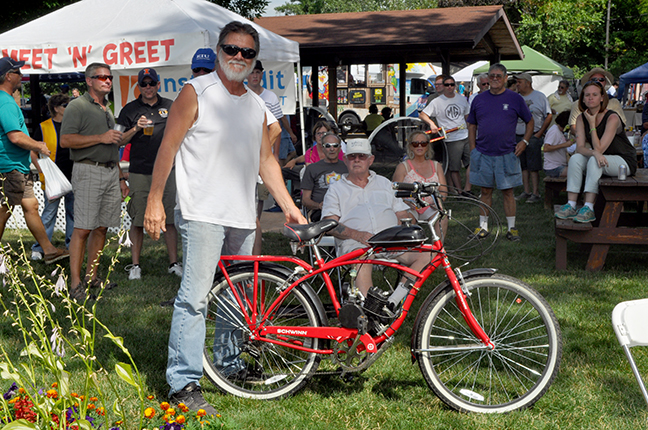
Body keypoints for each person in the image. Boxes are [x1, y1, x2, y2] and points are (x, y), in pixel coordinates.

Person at [142, 21, 305, 415]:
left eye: (247, 53)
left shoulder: (256, 105)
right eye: (232, 49)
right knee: (195, 299)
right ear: (219, 51)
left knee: (239, 297)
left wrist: (290, 207)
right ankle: (183, 383)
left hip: (241, 215)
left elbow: (265, 161)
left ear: (254, 60)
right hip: (200, 212)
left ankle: (229, 366)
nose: (238, 57)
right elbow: (168, 147)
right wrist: (154, 201)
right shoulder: (196, 92)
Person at [322, 138, 430, 303]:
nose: (357, 160)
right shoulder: (336, 189)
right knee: (361, 259)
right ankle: (370, 311)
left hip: (390, 241)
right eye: (352, 157)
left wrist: (406, 223)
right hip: (357, 244)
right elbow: (329, 224)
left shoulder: (384, 183)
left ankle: (394, 302)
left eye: (361, 156)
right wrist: (357, 235)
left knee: (426, 255)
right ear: (345, 160)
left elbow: (402, 213)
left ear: (370, 160)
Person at [60, 62, 129, 299]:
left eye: (109, 77)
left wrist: (120, 176)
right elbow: (65, 140)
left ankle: (92, 277)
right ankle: (75, 284)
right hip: (88, 170)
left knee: (101, 227)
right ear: (89, 81)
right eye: (101, 77)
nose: (107, 81)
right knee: (82, 228)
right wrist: (101, 137)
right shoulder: (77, 106)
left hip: (110, 171)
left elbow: (111, 144)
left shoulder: (105, 108)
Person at [0, 57, 69, 264]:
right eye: (18, 72)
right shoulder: (5, 102)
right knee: (5, 209)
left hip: (16, 165)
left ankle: (48, 250)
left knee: (31, 206)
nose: (22, 76)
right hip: (10, 166)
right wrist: (38, 145)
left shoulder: (7, 101)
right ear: (8, 76)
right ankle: (47, 249)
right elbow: (15, 136)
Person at [117, 68, 180, 280]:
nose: (148, 87)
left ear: (158, 84)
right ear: (138, 87)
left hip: (167, 170)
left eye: (151, 83)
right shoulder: (129, 109)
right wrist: (135, 128)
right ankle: (135, 265)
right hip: (139, 171)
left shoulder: (171, 106)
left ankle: (173, 263)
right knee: (137, 218)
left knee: (169, 218)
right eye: (143, 84)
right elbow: (119, 140)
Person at [466, 63, 533, 242]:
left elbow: (530, 121)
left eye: (498, 76)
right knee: (485, 191)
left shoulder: (515, 99)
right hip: (483, 153)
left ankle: (512, 229)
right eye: (491, 75)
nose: (494, 78)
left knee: (508, 192)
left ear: (505, 78)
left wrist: (524, 142)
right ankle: (483, 227)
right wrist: (473, 148)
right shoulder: (479, 99)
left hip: (507, 153)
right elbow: (472, 124)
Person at [555, 81, 637, 223]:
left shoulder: (612, 117)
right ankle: (571, 204)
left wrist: (592, 124)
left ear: (601, 98)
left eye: (594, 94)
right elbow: (580, 147)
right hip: (600, 159)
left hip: (623, 162)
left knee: (594, 160)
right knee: (576, 158)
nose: (590, 98)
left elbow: (600, 149)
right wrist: (594, 153)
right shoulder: (581, 118)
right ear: (582, 99)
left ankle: (589, 207)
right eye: (587, 95)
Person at [30, 94, 75, 261]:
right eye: (65, 105)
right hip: (53, 179)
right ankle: (39, 247)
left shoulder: (73, 126)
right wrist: (43, 170)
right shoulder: (43, 127)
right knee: (49, 214)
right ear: (56, 108)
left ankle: (72, 246)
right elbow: (32, 151)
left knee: (73, 213)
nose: (68, 107)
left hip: (73, 176)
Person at [419, 75, 472, 196]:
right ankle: (459, 192)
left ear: (455, 86)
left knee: (472, 163)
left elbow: (467, 117)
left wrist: (471, 131)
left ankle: (467, 190)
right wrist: (432, 124)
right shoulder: (437, 101)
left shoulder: (462, 99)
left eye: (452, 84)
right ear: (443, 86)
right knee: (454, 168)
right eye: (446, 85)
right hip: (450, 139)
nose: (449, 87)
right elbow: (422, 115)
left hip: (465, 135)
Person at [392, 131, 448, 236]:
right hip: (410, 206)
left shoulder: (436, 166)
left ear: (428, 146)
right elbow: (394, 191)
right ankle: (410, 249)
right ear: (410, 147)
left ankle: (438, 249)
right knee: (407, 220)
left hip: (431, 206)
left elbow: (443, 190)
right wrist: (406, 202)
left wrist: (438, 201)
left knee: (442, 217)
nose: (419, 146)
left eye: (423, 143)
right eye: (415, 143)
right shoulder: (403, 167)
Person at [513, 73, 552, 204]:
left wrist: (540, 132)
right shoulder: (516, 98)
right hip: (518, 135)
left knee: (533, 166)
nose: (517, 84)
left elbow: (549, 115)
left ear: (528, 83)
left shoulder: (539, 97)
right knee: (523, 165)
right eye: (516, 82)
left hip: (534, 135)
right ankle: (526, 191)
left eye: (519, 82)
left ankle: (536, 192)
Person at [301, 132, 347, 221]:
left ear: (340, 148)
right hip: (321, 212)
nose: (332, 149)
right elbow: (305, 200)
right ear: (322, 148)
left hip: (345, 210)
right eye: (328, 146)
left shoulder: (348, 168)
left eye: (335, 145)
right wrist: (319, 206)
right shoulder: (312, 169)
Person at [543, 111, 573, 178]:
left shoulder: (559, 131)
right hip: (553, 168)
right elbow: (546, 148)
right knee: (577, 173)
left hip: (560, 165)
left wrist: (572, 141)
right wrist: (564, 144)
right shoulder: (554, 131)